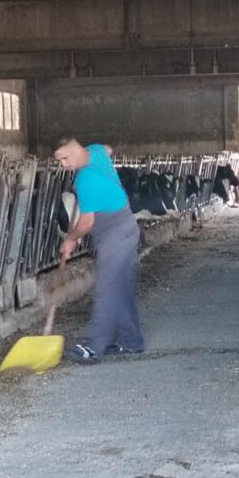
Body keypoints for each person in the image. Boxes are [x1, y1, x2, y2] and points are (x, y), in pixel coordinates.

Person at [53, 137, 144, 363]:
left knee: (107, 286)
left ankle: (93, 346)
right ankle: (131, 341)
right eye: (59, 160)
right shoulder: (95, 151)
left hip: (114, 232)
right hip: (127, 227)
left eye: (65, 158)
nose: (63, 165)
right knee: (120, 287)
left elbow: (87, 222)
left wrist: (71, 239)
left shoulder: (84, 180)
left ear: (76, 149)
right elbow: (108, 148)